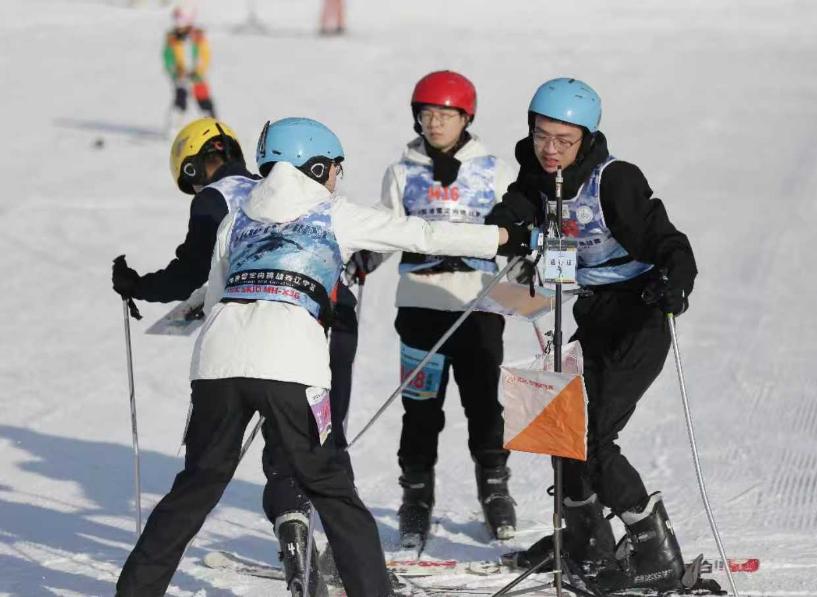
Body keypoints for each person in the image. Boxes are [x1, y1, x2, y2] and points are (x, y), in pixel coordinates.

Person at [113, 117, 533, 597]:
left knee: (196, 486)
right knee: (332, 489)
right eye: (335, 167)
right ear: (314, 167)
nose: (337, 177)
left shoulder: (236, 218)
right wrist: (502, 238)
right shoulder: (333, 213)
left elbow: (214, 296)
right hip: (291, 366)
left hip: (217, 365)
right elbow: (421, 234)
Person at [108, 117, 368, 593]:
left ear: (194, 167)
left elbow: (191, 272)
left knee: (236, 455)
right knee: (317, 446)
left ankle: (296, 545)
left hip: (272, 337)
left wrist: (138, 285)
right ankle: (328, 551)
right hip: (333, 321)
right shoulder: (275, 187)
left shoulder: (217, 200)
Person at [487, 78, 698, 592]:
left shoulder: (614, 180)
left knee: (592, 438)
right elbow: (511, 215)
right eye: (541, 136)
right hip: (593, 314)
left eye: (564, 140)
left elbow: (669, 242)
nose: (550, 149)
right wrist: (502, 236)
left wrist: (675, 280)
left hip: (639, 316)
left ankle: (654, 551)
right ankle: (585, 541)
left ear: (586, 139)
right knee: (562, 426)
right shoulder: (537, 175)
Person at [375, 70, 519, 549]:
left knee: (483, 404)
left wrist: (531, 270)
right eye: (426, 114)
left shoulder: (495, 171)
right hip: (420, 304)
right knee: (420, 410)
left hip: (478, 305)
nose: (434, 123)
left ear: (465, 117)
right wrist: (356, 262)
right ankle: (416, 497)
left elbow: (516, 234)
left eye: (445, 114)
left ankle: (495, 489)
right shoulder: (402, 173)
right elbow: (383, 232)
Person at [163, 4, 216, 133]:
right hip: (180, 76)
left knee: (203, 99)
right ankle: (174, 126)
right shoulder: (172, 39)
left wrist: (199, 71)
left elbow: (205, 56)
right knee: (180, 98)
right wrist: (174, 71)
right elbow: (168, 57)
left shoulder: (198, 38)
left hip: (197, 76)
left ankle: (213, 127)